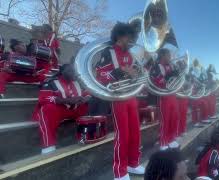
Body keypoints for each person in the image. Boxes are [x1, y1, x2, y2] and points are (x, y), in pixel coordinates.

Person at [95, 22, 144, 180]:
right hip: (117, 98)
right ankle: (120, 171)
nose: (133, 40)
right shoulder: (108, 52)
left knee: (135, 132)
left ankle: (133, 163)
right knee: (122, 134)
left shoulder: (130, 55)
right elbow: (100, 76)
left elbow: (137, 74)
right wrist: (119, 71)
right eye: (130, 36)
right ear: (120, 36)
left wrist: (135, 74)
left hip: (131, 96)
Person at [32, 64, 90, 154]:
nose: (74, 73)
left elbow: (87, 93)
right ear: (62, 72)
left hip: (75, 110)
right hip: (60, 110)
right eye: (71, 71)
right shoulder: (51, 82)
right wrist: (68, 100)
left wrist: (85, 99)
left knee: (91, 103)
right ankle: (48, 145)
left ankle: (87, 135)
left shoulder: (77, 82)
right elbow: (44, 99)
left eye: (75, 71)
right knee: (47, 108)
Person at [151, 48, 180, 150]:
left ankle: (171, 139)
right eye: (168, 55)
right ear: (162, 55)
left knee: (174, 118)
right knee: (165, 119)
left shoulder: (170, 66)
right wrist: (168, 77)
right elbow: (157, 81)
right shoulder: (156, 66)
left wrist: (177, 74)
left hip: (172, 95)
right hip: (163, 96)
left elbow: (176, 80)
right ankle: (163, 142)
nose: (170, 58)